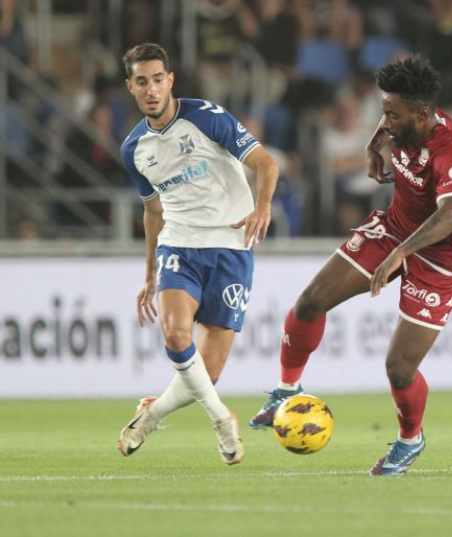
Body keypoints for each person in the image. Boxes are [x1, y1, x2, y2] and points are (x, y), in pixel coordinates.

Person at [248, 56, 452, 476]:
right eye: (383, 110)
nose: (385, 119)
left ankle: (411, 441)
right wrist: (375, 142)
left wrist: (401, 253)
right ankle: (285, 390)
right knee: (310, 302)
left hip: (441, 258)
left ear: (422, 115)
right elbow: (389, 124)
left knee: (399, 367)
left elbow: (450, 214)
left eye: (392, 113)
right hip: (396, 228)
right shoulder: (406, 121)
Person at [116, 43, 280, 464]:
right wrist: (151, 274)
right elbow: (152, 210)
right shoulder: (134, 149)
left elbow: (266, 164)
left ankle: (151, 415)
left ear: (170, 80)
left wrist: (262, 207)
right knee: (174, 334)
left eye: (157, 79)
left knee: (208, 373)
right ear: (130, 88)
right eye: (141, 82)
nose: (151, 89)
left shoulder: (207, 117)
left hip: (230, 246)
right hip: (180, 245)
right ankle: (222, 420)